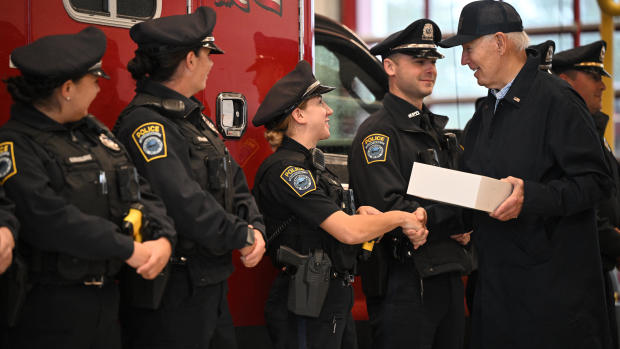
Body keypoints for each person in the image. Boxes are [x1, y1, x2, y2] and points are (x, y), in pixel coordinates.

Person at [439, 1, 614, 348]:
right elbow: (475, 190)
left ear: (500, 43)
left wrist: (530, 197)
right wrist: (426, 218)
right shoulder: (485, 113)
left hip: (552, 308)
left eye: (468, 48)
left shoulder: (558, 102)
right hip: (498, 299)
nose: (463, 61)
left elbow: (597, 182)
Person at [0, 27, 176, 349]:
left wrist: (163, 237)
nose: (97, 90)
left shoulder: (94, 132)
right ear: (68, 88)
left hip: (106, 300)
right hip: (50, 309)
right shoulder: (16, 144)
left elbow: (140, 188)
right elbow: (50, 220)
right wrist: (129, 250)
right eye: (94, 81)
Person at [112, 7, 266, 349]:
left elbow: (234, 180)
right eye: (207, 55)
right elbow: (182, 201)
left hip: (210, 282)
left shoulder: (196, 118)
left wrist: (255, 226)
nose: (212, 64)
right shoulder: (147, 123)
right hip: (173, 289)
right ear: (190, 60)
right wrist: (241, 234)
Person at [252, 60, 429, 349]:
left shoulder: (313, 167)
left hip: (328, 296)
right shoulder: (287, 171)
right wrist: (400, 217)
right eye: (320, 103)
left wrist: (360, 215)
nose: (330, 110)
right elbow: (347, 232)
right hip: (307, 300)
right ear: (298, 114)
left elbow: (336, 223)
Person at [348, 19, 471, 349]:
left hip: (447, 272)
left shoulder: (437, 132)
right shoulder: (379, 135)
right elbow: (391, 210)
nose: (429, 69)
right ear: (389, 66)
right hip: (404, 279)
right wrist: (453, 219)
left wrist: (465, 222)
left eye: (432, 61)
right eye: (419, 61)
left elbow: (459, 197)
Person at [553, 40, 620, 349]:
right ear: (566, 80)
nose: (602, 87)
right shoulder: (564, 133)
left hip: (601, 263)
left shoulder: (594, 131)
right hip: (578, 268)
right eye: (594, 77)